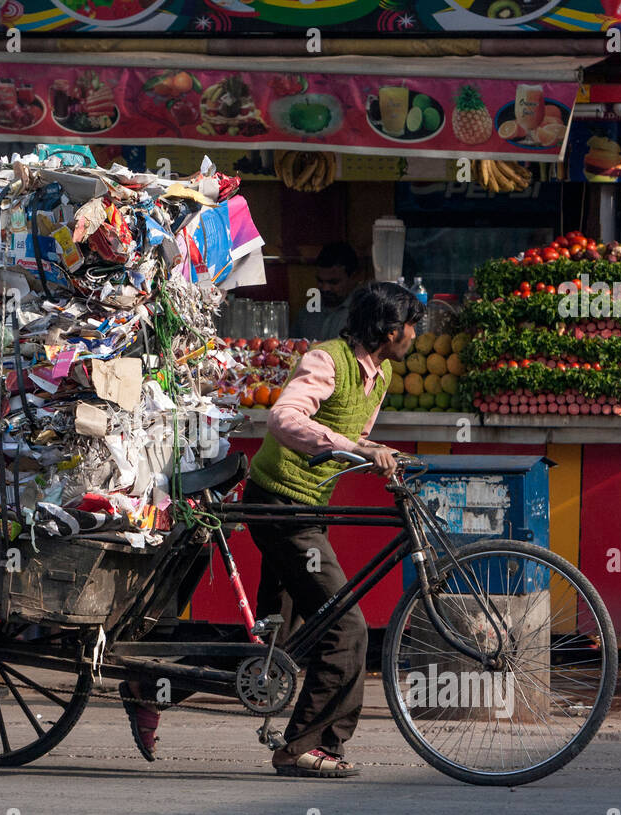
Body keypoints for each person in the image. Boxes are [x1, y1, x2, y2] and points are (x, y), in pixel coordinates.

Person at [121, 282, 419, 777]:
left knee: (269, 643)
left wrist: (375, 456)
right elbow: (284, 417)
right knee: (345, 629)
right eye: (412, 325)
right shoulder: (328, 360)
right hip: (281, 506)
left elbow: (354, 436)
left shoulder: (380, 373)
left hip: (308, 509)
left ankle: (148, 684)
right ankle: (306, 746)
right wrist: (358, 449)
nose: (415, 335)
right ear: (391, 329)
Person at [290, 241, 361, 343]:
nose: (325, 288)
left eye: (333, 282)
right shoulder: (307, 314)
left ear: (354, 277)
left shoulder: (363, 314)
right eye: (320, 281)